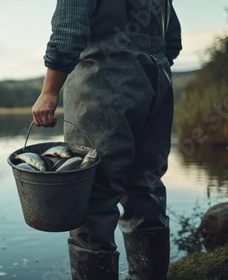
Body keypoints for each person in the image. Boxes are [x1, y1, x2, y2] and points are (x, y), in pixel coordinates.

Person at [32, 0, 182, 279]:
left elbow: (68, 30)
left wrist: (50, 90)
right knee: (146, 185)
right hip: (157, 83)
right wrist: (144, 66)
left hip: (101, 82)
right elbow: (172, 41)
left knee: (91, 193)